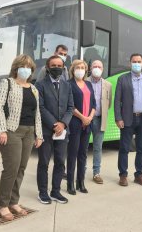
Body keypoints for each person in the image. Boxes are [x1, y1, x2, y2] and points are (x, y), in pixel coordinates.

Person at [0, 55, 43, 221]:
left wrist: (39, 134)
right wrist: (1, 130)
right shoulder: (7, 83)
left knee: (21, 168)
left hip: (29, 132)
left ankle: (14, 201)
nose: (26, 69)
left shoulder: (34, 89)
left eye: (29, 67)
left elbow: (37, 114)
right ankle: (3, 204)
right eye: (23, 66)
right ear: (16, 68)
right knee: (11, 168)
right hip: (11, 130)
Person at [35, 55, 74, 204]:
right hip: (46, 130)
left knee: (59, 162)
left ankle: (55, 191)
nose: (57, 68)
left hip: (63, 131)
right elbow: (41, 107)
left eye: (60, 66)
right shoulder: (40, 85)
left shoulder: (67, 85)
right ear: (47, 67)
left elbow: (70, 107)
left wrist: (63, 124)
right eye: (53, 65)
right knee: (44, 162)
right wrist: (54, 124)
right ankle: (43, 192)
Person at [114, 53, 142, 187]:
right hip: (128, 118)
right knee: (124, 148)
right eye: (134, 61)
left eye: (139, 61)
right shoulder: (123, 79)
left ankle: (139, 175)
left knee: (141, 149)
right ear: (130, 63)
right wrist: (118, 118)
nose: (136, 64)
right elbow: (117, 101)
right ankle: (123, 175)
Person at [66, 60, 96, 195]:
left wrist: (89, 118)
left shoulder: (89, 84)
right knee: (72, 154)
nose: (80, 69)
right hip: (75, 123)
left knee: (83, 154)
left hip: (87, 124)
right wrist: (82, 118)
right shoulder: (69, 85)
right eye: (77, 67)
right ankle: (70, 184)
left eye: (83, 67)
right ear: (73, 70)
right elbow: (70, 105)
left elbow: (94, 104)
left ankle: (81, 182)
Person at [87, 60, 113, 184]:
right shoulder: (84, 82)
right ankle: (81, 170)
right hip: (85, 119)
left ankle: (96, 173)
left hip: (99, 119)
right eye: (94, 66)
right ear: (90, 68)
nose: (97, 68)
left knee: (98, 148)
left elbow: (108, 104)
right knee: (81, 147)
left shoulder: (108, 85)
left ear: (103, 69)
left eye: (99, 66)